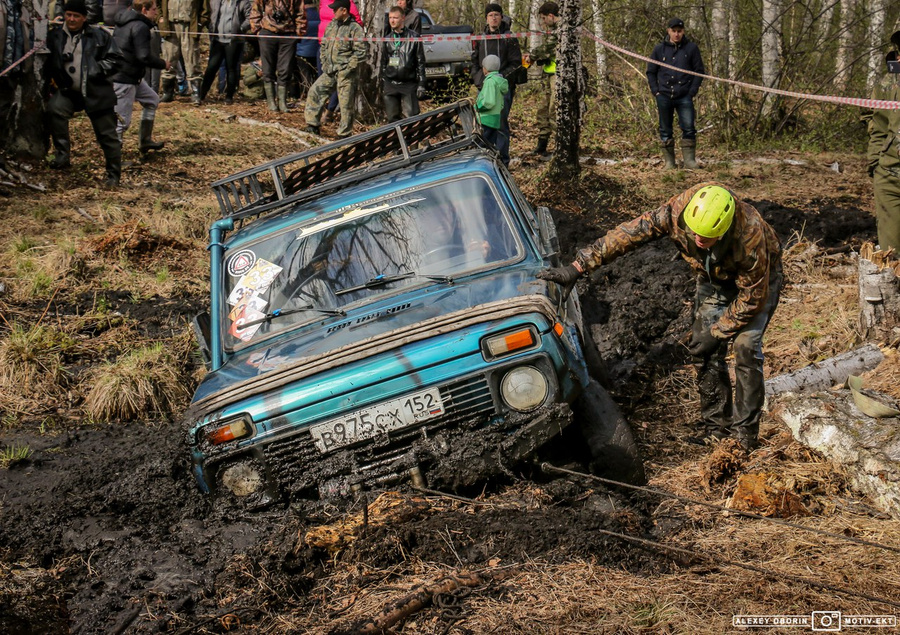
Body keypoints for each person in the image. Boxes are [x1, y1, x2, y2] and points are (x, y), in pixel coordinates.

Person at [537, 183, 783, 451]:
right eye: (695, 233)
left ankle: (744, 438)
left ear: (723, 232)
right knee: (702, 348)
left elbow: (752, 297)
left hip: (757, 283)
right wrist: (578, 266)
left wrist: (720, 330)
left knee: (746, 347)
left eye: (707, 237)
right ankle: (717, 429)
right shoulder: (677, 212)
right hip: (713, 278)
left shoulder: (749, 234)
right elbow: (630, 234)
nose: (698, 239)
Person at [45, 0, 123, 186]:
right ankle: (62, 156)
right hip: (68, 91)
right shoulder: (55, 35)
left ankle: (113, 174)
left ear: (84, 18)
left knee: (107, 135)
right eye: (69, 15)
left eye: (76, 16)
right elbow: (48, 64)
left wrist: (97, 69)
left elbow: (116, 59)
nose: (71, 19)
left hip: (97, 92)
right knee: (54, 110)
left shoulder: (99, 36)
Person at [111, 0, 169, 156]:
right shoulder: (140, 26)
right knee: (122, 122)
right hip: (124, 78)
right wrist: (163, 63)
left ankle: (145, 141)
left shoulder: (123, 21)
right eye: (154, 9)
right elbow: (143, 56)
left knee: (152, 100)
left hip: (131, 75)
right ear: (144, 9)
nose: (156, 13)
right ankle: (114, 159)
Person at [647, 17, 704, 170]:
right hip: (664, 95)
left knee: (689, 127)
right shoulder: (659, 49)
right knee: (665, 129)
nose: (677, 34)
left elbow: (699, 72)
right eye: (674, 31)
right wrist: (656, 91)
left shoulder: (691, 48)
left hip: (684, 95)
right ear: (668, 31)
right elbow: (651, 72)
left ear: (683, 31)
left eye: (679, 31)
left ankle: (689, 161)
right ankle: (669, 163)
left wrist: (692, 91)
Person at [304, 0, 365, 137]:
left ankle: (344, 134)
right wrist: (325, 62)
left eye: (335, 9)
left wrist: (348, 68)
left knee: (345, 104)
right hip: (330, 70)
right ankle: (312, 125)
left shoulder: (355, 29)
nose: (332, 11)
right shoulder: (331, 25)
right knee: (315, 91)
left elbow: (360, 52)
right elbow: (324, 45)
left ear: (344, 11)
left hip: (346, 73)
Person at [471, 3, 521, 165]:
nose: (494, 18)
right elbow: (474, 61)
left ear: (501, 17)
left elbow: (516, 63)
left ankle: (502, 161)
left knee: (500, 124)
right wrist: (480, 80)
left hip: (502, 89)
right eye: (491, 15)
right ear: (486, 18)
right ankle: (485, 160)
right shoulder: (480, 38)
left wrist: (499, 77)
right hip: (483, 88)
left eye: (497, 15)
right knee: (483, 124)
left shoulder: (509, 37)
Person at [864, 30, 900, 252]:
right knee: (891, 253)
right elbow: (877, 126)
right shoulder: (888, 83)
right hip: (889, 175)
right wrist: (875, 165)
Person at [249, 0, 305, 112]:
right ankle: (271, 102)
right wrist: (257, 30)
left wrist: (298, 32)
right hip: (267, 32)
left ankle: (282, 102)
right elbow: (256, 11)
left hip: (288, 34)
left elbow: (300, 13)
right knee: (267, 68)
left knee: (285, 68)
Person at [523, 1, 557, 157]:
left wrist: (533, 55)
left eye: (543, 18)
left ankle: (560, 148)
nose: (543, 22)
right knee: (543, 110)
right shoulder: (551, 31)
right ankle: (542, 146)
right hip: (548, 74)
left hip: (559, 77)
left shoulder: (562, 30)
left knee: (554, 111)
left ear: (550, 16)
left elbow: (548, 48)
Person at [199, 0, 250, 105]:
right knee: (211, 67)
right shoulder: (216, 1)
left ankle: (229, 96)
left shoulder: (243, 2)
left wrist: (241, 27)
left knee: (231, 68)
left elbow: (250, 18)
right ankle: (201, 94)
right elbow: (210, 14)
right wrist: (210, 26)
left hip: (234, 41)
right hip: (217, 40)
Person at [380, 5, 425, 123]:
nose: (392, 20)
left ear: (403, 18)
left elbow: (420, 61)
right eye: (390, 18)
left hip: (408, 83)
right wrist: (383, 80)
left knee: (411, 118)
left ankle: (412, 141)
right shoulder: (387, 38)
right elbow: (383, 61)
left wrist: (421, 83)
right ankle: (396, 141)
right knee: (392, 119)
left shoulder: (414, 37)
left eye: (395, 17)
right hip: (391, 83)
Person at [158, 0, 208, 104]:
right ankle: (168, 93)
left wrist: (199, 23)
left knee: (192, 60)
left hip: (189, 26)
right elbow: (156, 5)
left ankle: (195, 93)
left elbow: (205, 10)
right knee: (168, 58)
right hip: (170, 27)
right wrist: (160, 19)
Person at [475, 54, 508, 162]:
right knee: (491, 145)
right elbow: (501, 103)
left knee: (481, 145)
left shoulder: (490, 82)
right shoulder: (499, 81)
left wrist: (477, 106)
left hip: (486, 119)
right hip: (495, 118)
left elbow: (488, 102)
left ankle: (481, 164)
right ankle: (492, 162)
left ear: (486, 68)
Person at [293, 0, 319, 99]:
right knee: (316, 75)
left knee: (305, 76)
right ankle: (316, 95)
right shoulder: (320, 14)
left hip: (302, 51)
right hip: (316, 50)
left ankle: (307, 94)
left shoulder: (300, 16)